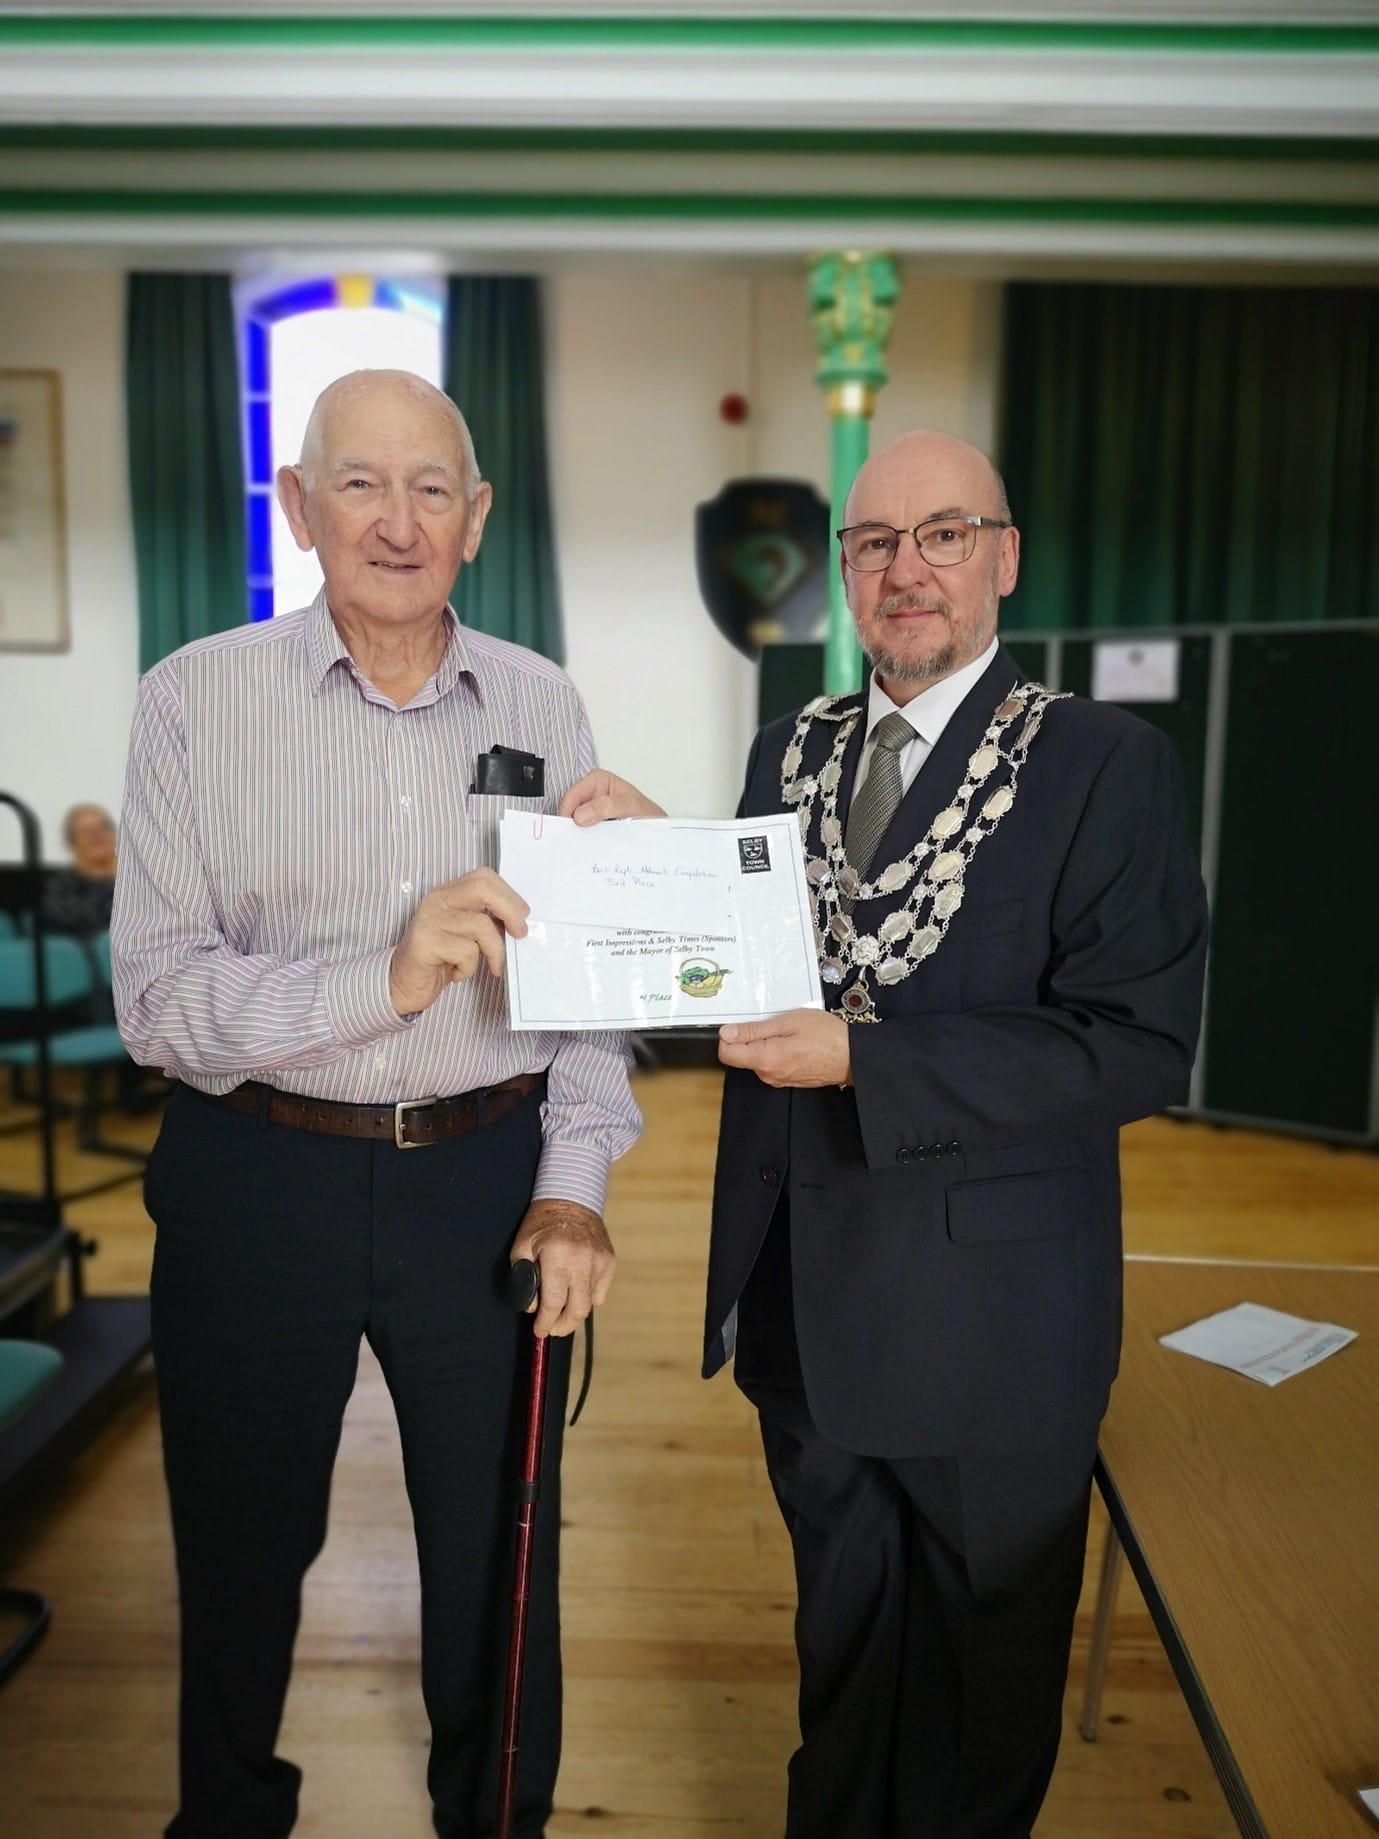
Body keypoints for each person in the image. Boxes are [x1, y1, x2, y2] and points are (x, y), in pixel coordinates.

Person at [112, 368, 660, 1839]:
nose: (397, 521)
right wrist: (389, 970)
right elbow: (159, 1005)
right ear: (298, 509)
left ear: (476, 518)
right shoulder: (192, 699)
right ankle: (227, 1818)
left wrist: (575, 1185)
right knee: (237, 1553)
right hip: (252, 1171)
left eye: (432, 488)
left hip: (485, 1183)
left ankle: (494, 1821)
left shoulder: (543, 698)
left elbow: (585, 997)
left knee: (500, 1559)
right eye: (358, 483)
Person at [702, 430, 1208, 1838]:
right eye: (873, 541)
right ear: (844, 573)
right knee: (842, 1655)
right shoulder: (784, 747)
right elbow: (743, 965)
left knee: (983, 1694)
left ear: (1002, 557)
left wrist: (867, 1061)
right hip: (802, 1291)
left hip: (991, 1321)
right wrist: (637, 864)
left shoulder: (1105, 762)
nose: (902, 567)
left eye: (940, 533)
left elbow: (1131, 1041)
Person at [43, 801, 118, 939]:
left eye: (103, 828)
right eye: (87, 831)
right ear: (72, 843)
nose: (97, 835)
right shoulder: (61, 887)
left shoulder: (142, 878)